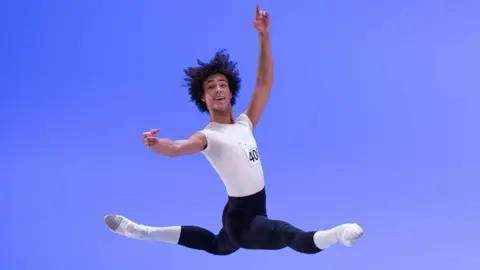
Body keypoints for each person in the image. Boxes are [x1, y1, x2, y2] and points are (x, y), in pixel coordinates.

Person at [104, 4, 363, 256]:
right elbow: (177, 148)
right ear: (203, 98)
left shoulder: (245, 123)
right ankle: (338, 234)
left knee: (218, 246)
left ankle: (143, 232)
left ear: (230, 91)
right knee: (288, 235)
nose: (218, 89)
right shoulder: (208, 136)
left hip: (241, 210)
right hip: (242, 221)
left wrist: (264, 35)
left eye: (222, 84)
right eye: (210, 87)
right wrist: (155, 143)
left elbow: (264, 83)